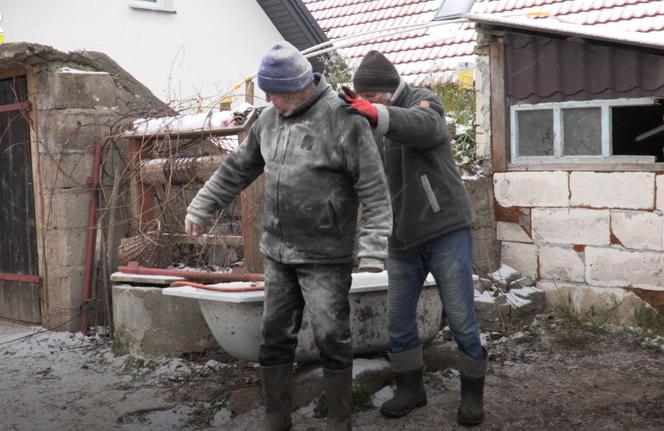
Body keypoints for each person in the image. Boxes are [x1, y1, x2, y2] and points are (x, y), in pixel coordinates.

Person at [185, 42, 392, 431]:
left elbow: (375, 190)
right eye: (267, 95)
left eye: (275, 95)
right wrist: (202, 206)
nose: (270, 101)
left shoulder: (343, 120)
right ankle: (276, 416)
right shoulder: (267, 120)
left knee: (333, 336)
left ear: (299, 88)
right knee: (274, 335)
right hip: (278, 251)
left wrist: (372, 249)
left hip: (325, 255)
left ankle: (339, 420)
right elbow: (237, 168)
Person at [339, 50, 488, 426]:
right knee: (399, 321)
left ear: (386, 91)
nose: (366, 105)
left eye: (371, 98)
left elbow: (427, 127)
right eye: (363, 100)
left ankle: (472, 396)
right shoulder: (368, 117)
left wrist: (378, 114)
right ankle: (410, 390)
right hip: (401, 239)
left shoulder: (423, 100)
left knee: (461, 319)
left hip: (444, 231)